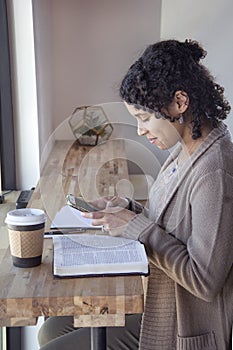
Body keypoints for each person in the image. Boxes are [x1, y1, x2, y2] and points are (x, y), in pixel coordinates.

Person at [38, 39, 233, 350]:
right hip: (158, 299)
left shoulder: (214, 171)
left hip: (179, 328)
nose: (140, 129)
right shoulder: (187, 147)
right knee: (52, 329)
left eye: (144, 118)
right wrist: (125, 208)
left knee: (53, 346)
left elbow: (205, 281)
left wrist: (134, 226)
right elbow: (173, 223)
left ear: (179, 102)